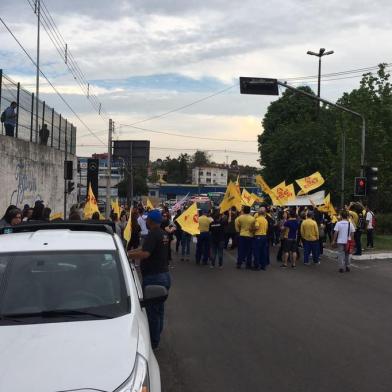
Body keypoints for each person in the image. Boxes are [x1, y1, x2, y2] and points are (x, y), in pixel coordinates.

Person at [127, 210, 171, 349]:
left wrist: (128, 256)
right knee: (159, 310)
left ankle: (153, 343)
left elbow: (145, 253)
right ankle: (156, 337)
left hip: (154, 278)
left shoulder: (153, 234)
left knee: (152, 313)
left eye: (147, 219)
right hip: (164, 275)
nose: (145, 221)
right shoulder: (163, 233)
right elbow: (144, 248)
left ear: (150, 221)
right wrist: (128, 253)